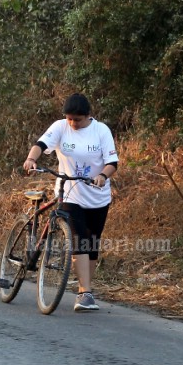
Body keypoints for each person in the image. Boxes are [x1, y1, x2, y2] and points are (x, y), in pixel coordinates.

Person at [22, 93, 119, 312]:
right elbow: (41, 143)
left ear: (88, 116)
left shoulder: (101, 131)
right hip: (69, 193)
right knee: (79, 239)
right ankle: (85, 293)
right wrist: (31, 158)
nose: (73, 123)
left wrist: (102, 176)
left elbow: (112, 162)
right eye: (69, 119)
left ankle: (86, 289)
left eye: (78, 119)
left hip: (97, 196)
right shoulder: (60, 127)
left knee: (92, 243)